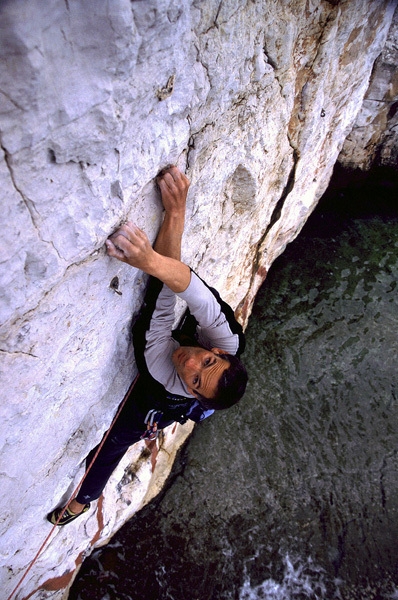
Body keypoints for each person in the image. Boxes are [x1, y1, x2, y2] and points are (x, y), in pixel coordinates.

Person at [48, 166, 248, 526]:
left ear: (192, 392)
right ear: (218, 352)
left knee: (114, 444)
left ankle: (83, 500)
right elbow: (185, 285)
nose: (189, 364)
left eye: (196, 380)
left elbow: (162, 295)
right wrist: (175, 214)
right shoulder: (229, 339)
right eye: (206, 363)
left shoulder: (163, 372)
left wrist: (152, 260)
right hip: (196, 382)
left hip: (158, 402)